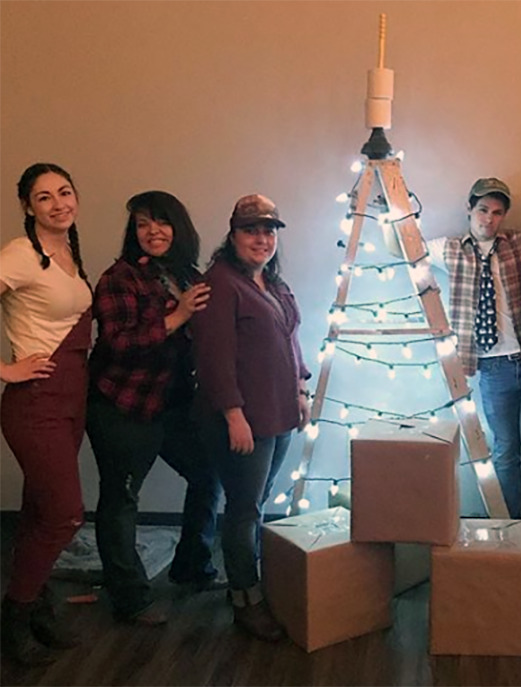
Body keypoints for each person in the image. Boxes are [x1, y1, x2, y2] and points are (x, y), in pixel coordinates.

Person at [85, 191, 222, 625]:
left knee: (208, 474)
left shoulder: (185, 274)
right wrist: (178, 317)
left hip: (173, 406)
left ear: (179, 227)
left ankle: (190, 567)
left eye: (161, 222)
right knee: (121, 499)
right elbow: (119, 344)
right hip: (122, 405)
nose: (152, 231)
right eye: (143, 224)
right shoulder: (117, 278)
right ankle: (130, 598)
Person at [415, 178, 521, 558]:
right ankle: (507, 530)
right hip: (492, 367)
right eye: (483, 210)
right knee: (505, 450)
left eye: (497, 212)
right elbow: (404, 246)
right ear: (469, 208)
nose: (490, 219)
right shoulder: (449, 249)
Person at [192, 194, 311, 641]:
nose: (261, 239)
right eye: (251, 231)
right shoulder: (221, 284)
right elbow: (213, 356)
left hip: (278, 412)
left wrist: (300, 389)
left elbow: (291, 339)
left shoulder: (271, 283)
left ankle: (251, 584)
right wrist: (232, 415)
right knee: (243, 511)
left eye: (269, 231)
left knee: (255, 506)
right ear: (233, 235)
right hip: (243, 419)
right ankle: (245, 599)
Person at [0, 163, 92, 665]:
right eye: (43, 197)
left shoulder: (67, 253)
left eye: (64, 192)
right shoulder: (19, 255)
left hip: (71, 397)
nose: (58, 203)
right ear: (27, 207)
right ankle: (12, 616)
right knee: (64, 514)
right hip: (35, 401)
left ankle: (37, 608)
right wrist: (5, 370)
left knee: (39, 511)